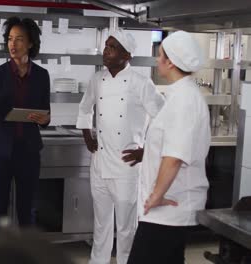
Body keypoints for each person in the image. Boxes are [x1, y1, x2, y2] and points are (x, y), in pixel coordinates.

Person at [76, 30, 165, 264]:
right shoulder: (97, 79)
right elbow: (85, 108)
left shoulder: (141, 82)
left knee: (126, 227)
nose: (106, 51)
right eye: (106, 46)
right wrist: (87, 134)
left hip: (126, 166)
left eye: (112, 47)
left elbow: (164, 117)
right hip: (100, 163)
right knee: (101, 223)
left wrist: (146, 150)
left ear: (127, 55)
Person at [127, 31, 211, 264]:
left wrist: (156, 196)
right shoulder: (181, 96)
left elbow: (174, 156)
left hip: (168, 210)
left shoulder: (184, 100)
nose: (157, 59)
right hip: (167, 208)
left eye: (160, 55)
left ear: (171, 61)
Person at [0, 17, 50, 231]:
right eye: (10, 39)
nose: (12, 45)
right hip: (2, 152)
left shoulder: (42, 76)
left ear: (31, 43)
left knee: (28, 211)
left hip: (29, 151)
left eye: (19, 39)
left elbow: (46, 113)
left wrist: (45, 120)